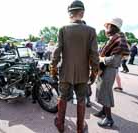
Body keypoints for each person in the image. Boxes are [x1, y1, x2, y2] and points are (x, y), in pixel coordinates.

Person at [50, 1, 99, 133]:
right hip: (83, 73)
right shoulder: (91, 31)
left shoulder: (63, 29)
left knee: (63, 96)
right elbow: (94, 54)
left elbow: (57, 51)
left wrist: (53, 68)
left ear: (70, 14)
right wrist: (94, 73)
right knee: (81, 99)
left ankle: (60, 124)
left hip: (65, 72)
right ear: (82, 13)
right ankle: (79, 127)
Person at [94, 18, 129, 127]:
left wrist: (101, 59)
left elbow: (115, 60)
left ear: (113, 27)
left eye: (107, 26)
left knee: (106, 93)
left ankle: (109, 119)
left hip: (109, 69)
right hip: (105, 69)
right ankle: (104, 112)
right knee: (101, 90)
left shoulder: (119, 39)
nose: (105, 29)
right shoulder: (114, 38)